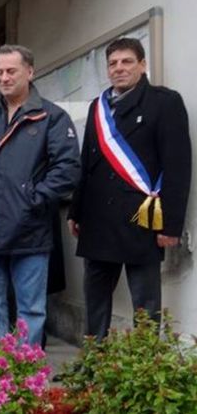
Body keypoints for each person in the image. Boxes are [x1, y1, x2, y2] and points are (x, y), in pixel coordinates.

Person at [0, 44, 80, 345]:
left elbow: (67, 169)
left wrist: (33, 200)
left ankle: (26, 377)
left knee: (31, 310)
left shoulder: (51, 117)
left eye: (11, 71)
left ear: (30, 71)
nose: (4, 78)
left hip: (30, 229)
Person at [67, 37, 191, 341]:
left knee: (145, 303)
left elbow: (177, 166)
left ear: (142, 65)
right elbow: (87, 163)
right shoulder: (98, 107)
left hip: (142, 219)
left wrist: (171, 225)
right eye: (113, 63)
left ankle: (144, 366)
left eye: (127, 62)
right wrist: (76, 210)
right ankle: (94, 361)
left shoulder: (165, 102)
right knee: (95, 297)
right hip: (97, 219)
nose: (119, 68)